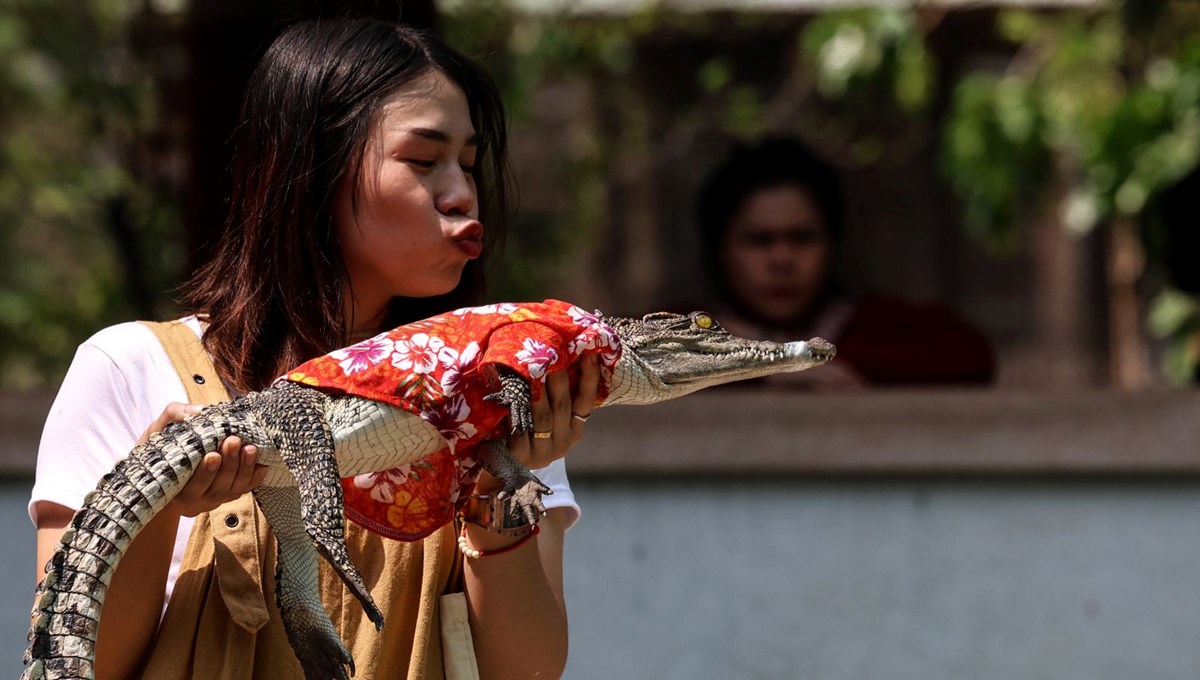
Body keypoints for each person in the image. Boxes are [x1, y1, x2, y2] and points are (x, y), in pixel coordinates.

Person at [30, 18, 598, 680]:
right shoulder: (131, 369)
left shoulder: (497, 395)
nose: (461, 194)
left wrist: (500, 494)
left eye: (469, 164)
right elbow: (78, 665)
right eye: (422, 161)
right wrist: (159, 506)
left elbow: (525, 671)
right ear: (308, 169)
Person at [695, 137, 994, 388]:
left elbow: (970, 356)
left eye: (802, 238)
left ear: (833, 244)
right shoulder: (684, 337)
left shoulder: (891, 332)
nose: (782, 259)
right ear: (719, 250)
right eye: (759, 241)